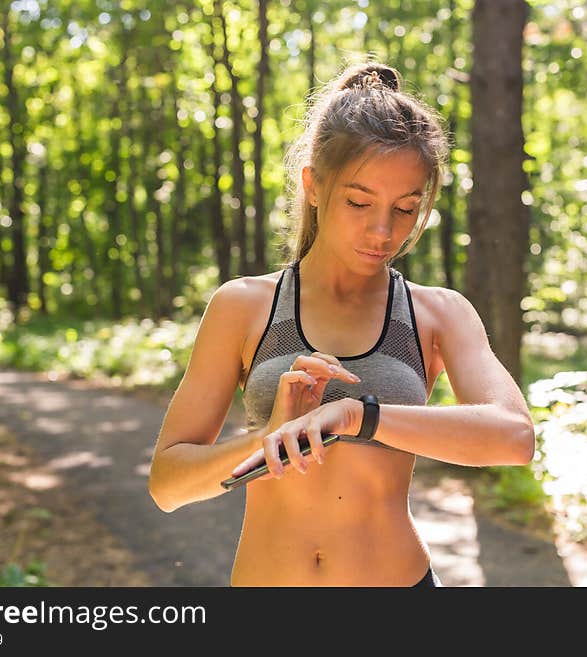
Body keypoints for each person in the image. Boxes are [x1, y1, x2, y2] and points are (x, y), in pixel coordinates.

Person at [148, 61, 535, 587]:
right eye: (358, 201)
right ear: (313, 185)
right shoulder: (244, 305)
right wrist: (272, 438)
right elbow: (169, 485)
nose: (383, 231)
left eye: (405, 207)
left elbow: (514, 437)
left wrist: (359, 416)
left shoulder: (437, 312)